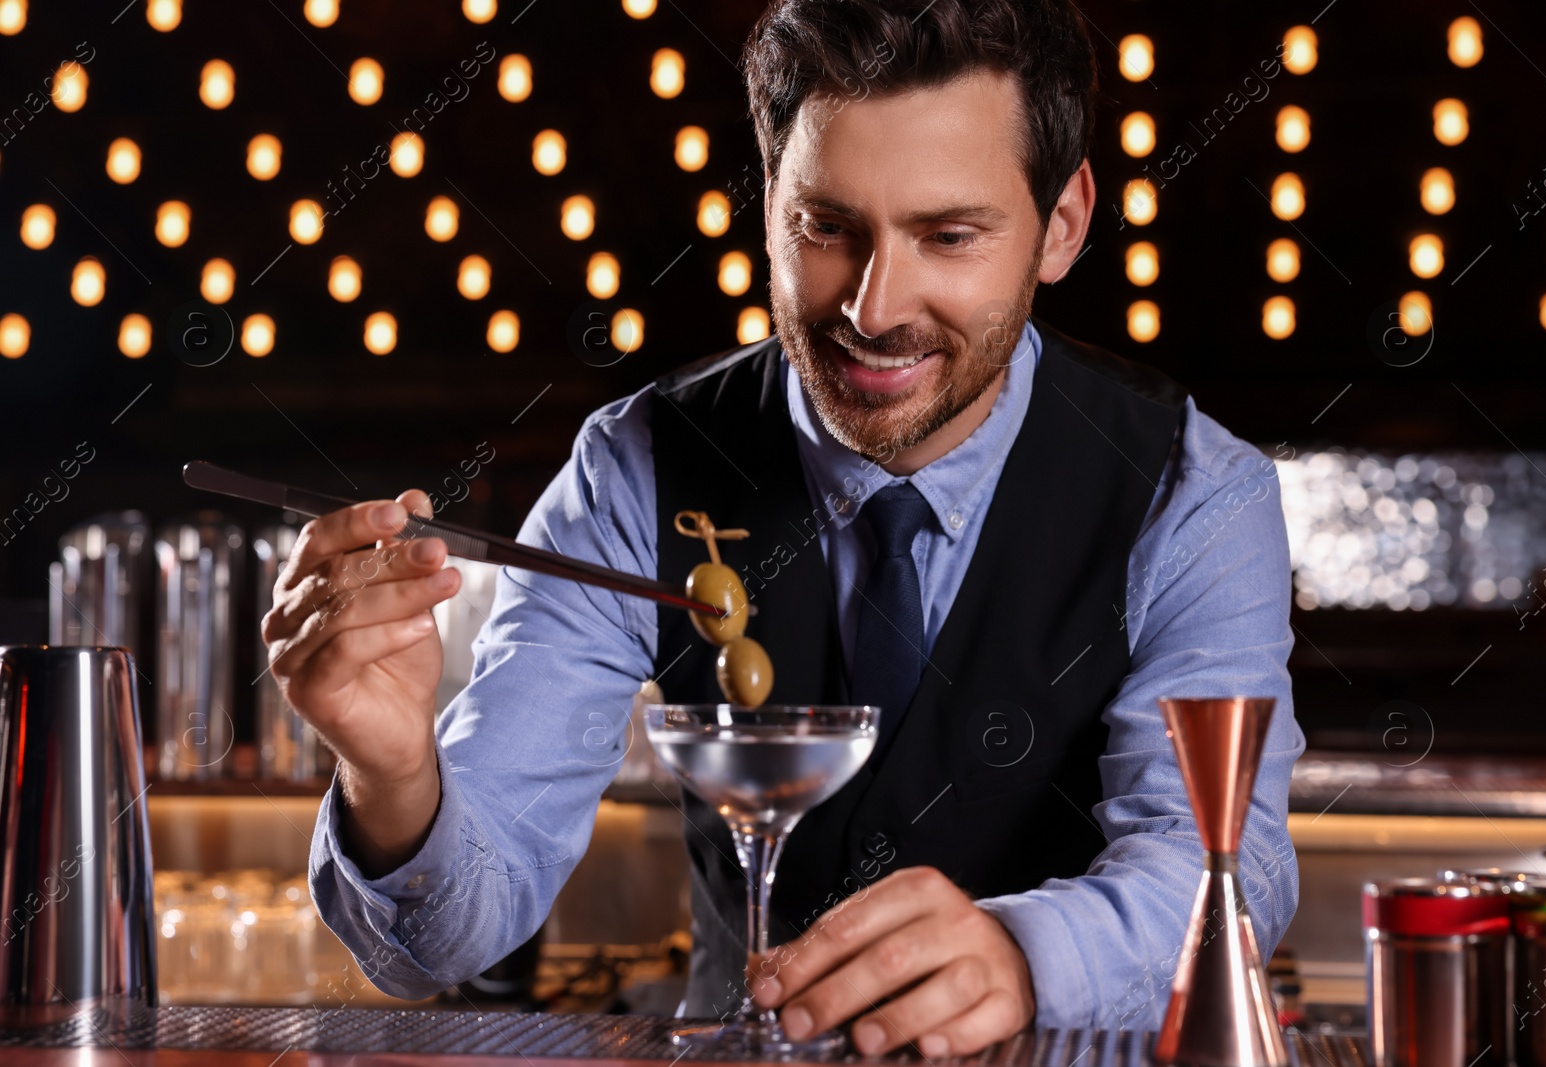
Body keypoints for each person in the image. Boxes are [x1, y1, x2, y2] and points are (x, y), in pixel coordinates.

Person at [264, 0, 1304, 1052]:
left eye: (948, 235)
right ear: (768, 207)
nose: (873, 307)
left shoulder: (1192, 492)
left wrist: (1025, 952)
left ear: (1063, 224)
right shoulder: (634, 470)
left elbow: (1229, 874)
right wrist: (392, 773)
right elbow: (442, 938)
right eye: (827, 227)